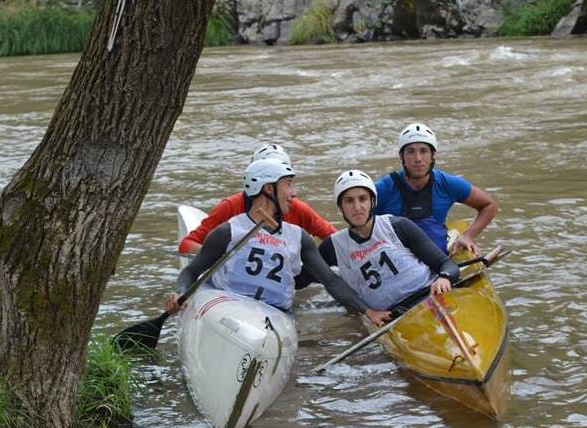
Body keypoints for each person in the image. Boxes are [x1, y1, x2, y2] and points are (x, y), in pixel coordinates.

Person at [165, 159, 391, 326]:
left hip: (277, 316)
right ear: (268, 188)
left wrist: (367, 310)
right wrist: (180, 293)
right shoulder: (228, 231)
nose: (294, 193)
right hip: (231, 311)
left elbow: (330, 280)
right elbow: (191, 271)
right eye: (289, 185)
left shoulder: (298, 237)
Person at [317, 169, 461, 316]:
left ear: (372, 202)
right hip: (390, 316)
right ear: (340, 206)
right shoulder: (332, 247)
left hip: (429, 295)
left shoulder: (398, 226)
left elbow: (447, 264)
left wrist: (445, 277)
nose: (357, 207)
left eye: (363, 199)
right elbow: (299, 279)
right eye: (349, 201)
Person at [177, 143, 336, 255]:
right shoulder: (229, 207)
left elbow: (334, 239)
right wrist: (221, 257)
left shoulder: (298, 209)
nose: (292, 192)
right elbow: (186, 244)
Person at [373, 122, 498, 256]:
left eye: (424, 151)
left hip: (437, 263)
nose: (418, 158)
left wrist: (468, 236)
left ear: (432, 155)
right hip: (396, 263)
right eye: (410, 152)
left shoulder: (447, 184)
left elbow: (489, 205)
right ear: (401, 156)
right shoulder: (382, 189)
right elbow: (358, 226)